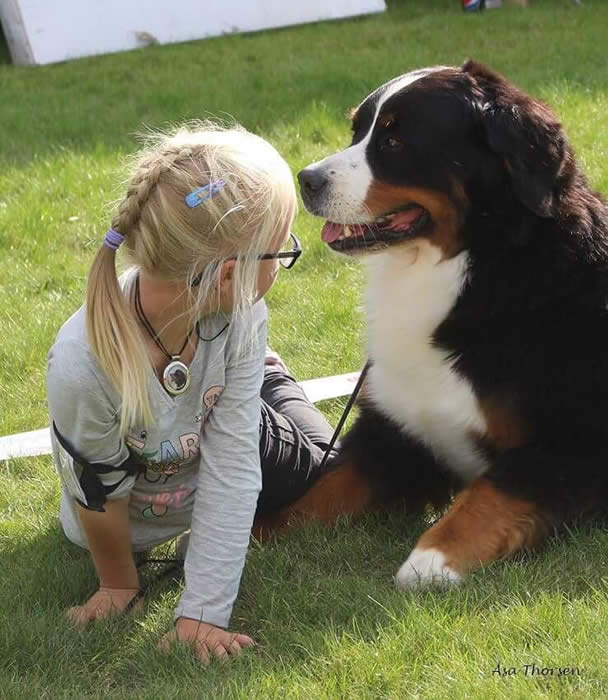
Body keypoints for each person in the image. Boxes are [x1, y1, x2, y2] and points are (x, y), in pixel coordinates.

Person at [47, 123, 337, 665]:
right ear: (229, 274)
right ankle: (257, 380)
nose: (284, 261)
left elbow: (232, 465)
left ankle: (267, 378)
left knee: (335, 471)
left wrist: (203, 612)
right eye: (280, 253)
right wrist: (118, 584)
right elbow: (96, 487)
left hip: (222, 417)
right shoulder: (80, 365)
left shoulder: (242, 312)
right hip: (167, 466)